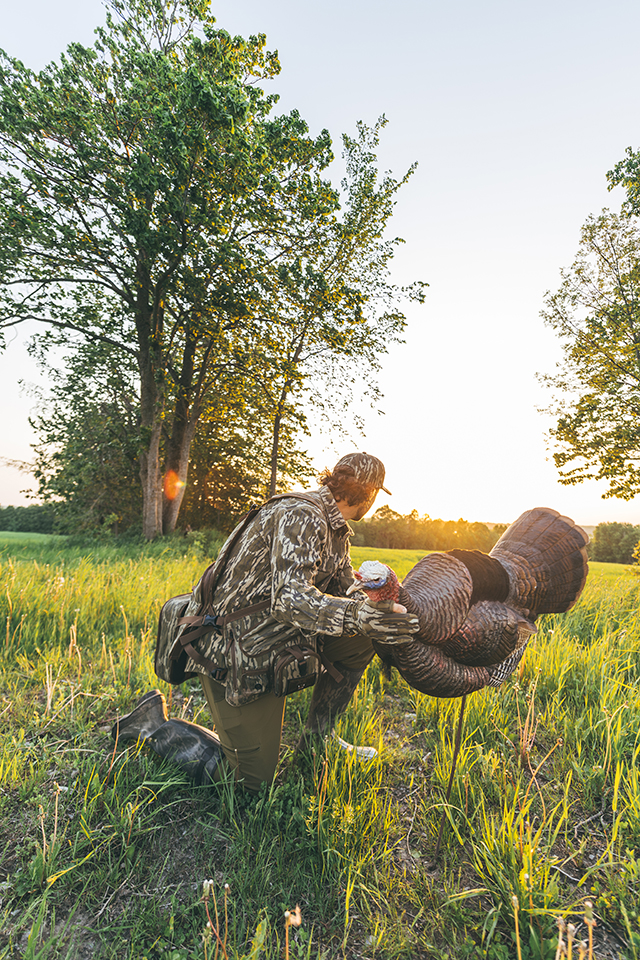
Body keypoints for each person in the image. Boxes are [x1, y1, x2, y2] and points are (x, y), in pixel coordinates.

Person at [112, 453, 419, 791]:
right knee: (248, 782)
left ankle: (319, 737)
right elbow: (289, 598)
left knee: (361, 635)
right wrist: (357, 615)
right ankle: (150, 725)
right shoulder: (302, 514)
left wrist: (377, 608)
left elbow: (344, 586)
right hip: (238, 650)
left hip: (279, 638)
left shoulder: (334, 527)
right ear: (370, 493)